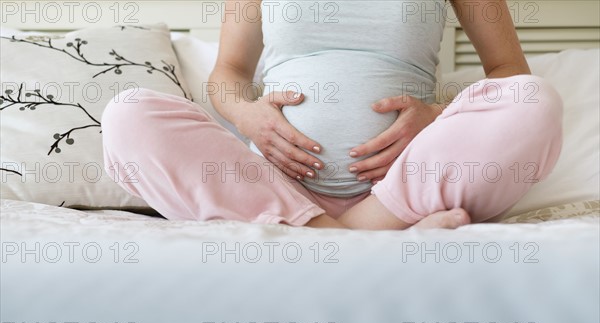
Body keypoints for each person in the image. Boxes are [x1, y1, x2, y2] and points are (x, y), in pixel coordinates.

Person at [102, 0, 563, 230]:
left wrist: (437, 116)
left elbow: (507, 72)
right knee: (130, 115)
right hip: (275, 184)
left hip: (405, 180)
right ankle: (365, 238)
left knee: (533, 100)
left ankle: (342, 232)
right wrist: (247, 117)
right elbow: (230, 72)